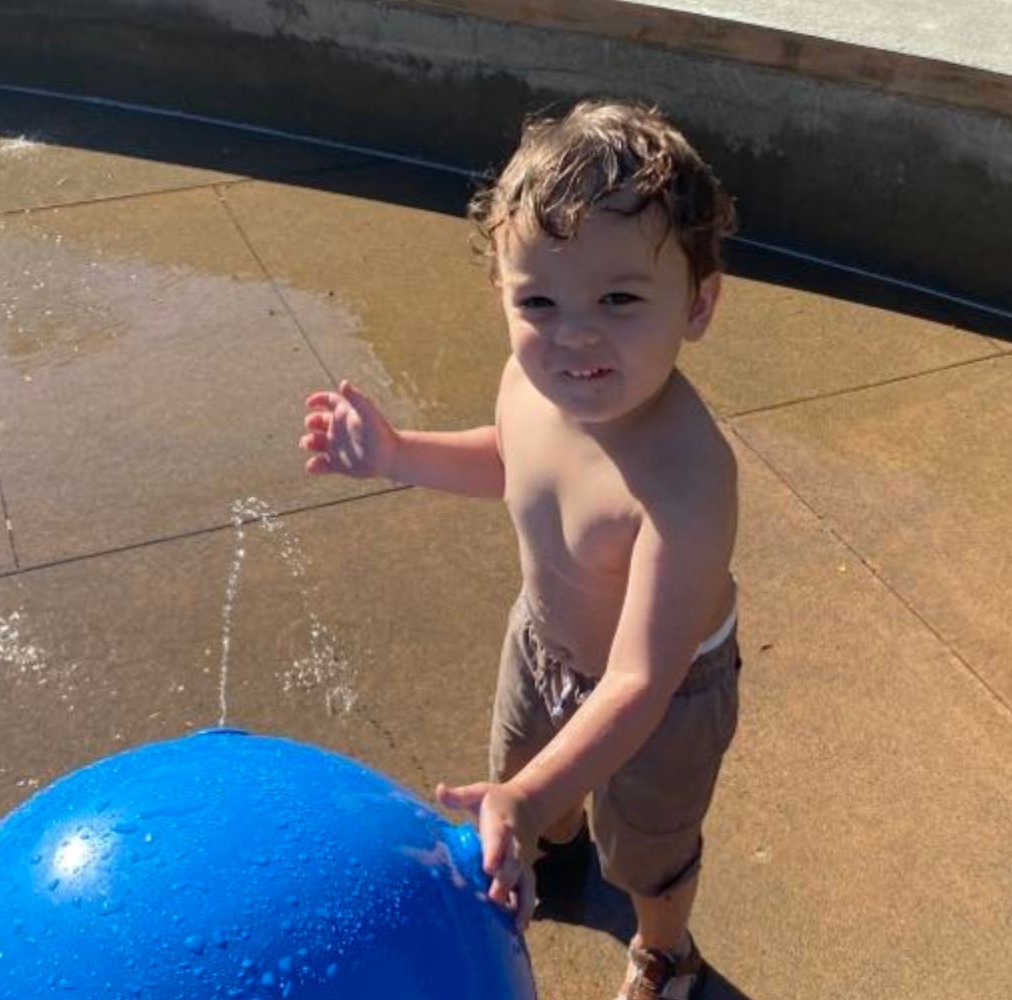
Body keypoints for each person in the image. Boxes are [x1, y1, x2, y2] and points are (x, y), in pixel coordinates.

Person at [300, 98, 740, 1000]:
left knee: (648, 849)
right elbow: (506, 460)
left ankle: (665, 948)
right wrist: (395, 454)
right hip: (539, 641)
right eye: (538, 300)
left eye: (619, 299)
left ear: (698, 304)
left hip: (662, 698)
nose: (575, 332)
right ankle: (556, 830)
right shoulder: (531, 383)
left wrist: (531, 799)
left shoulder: (687, 479)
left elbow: (636, 682)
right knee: (522, 768)